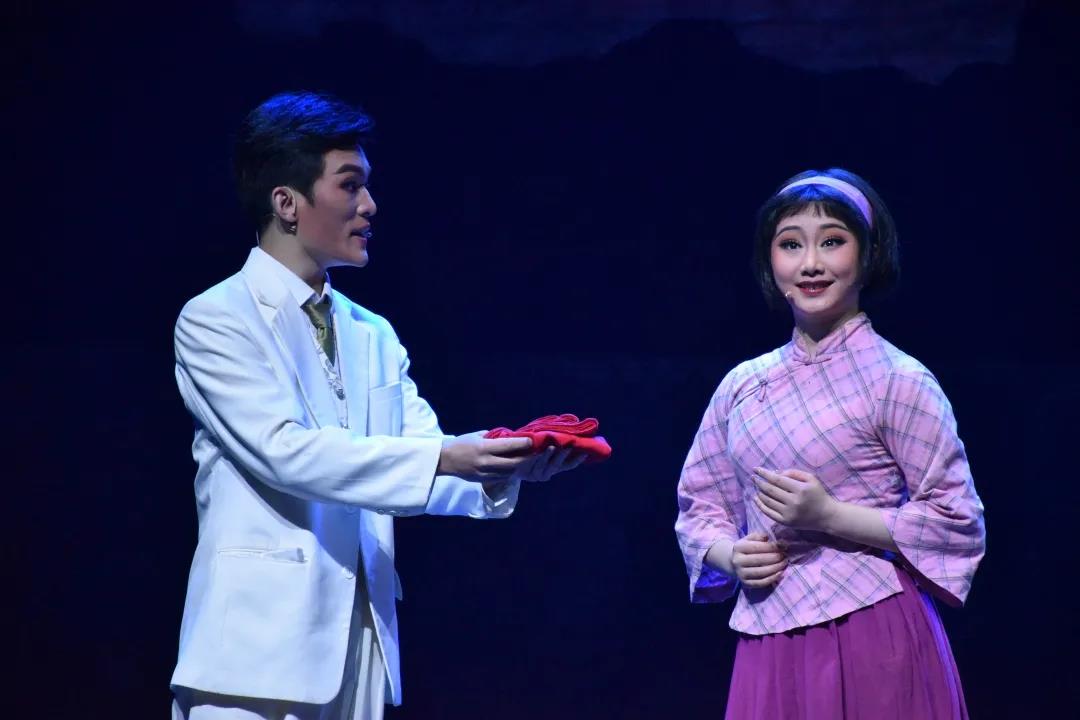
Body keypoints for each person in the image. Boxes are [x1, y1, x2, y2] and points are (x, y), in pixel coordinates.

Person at [170, 91, 585, 719]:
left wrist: (508, 464)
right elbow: (286, 453)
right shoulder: (215, 319)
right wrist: (447, 457)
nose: (369, 205)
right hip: (254, 656)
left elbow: (422, 456)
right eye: (349, 185)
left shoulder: (374, 333)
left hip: (359, 650)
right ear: (286, 202)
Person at [675, 168, 986, 719]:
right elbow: (701, 506)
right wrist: (731, 555)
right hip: (768, 633)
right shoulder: (743, 385)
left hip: (873, 627)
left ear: (868, 255)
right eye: (791, 244)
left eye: (833, 242)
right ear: (770, 261)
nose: (811, 263)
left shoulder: (898, 379)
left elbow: (955, 519)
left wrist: (829, 516)